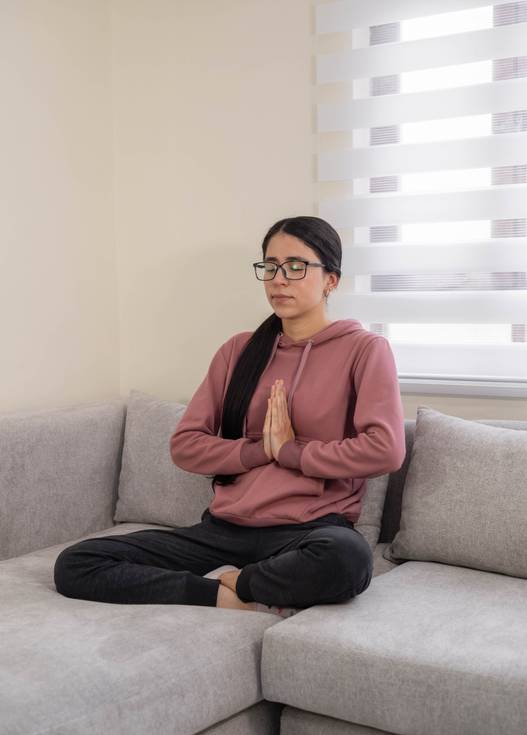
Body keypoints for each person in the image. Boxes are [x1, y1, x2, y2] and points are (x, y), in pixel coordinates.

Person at [54, 215, 406, 617]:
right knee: (76, 564)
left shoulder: (364, 350)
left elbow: (385, 450)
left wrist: (291, 452)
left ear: (331, 279)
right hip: (223, 530)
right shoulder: (239, 351)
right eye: (270, 266)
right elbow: (185, 445)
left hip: (309, 531)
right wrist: (261, 451)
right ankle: (224, 597)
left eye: (296, 266)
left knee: (349, 560)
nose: (279, 278)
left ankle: (244, 582)